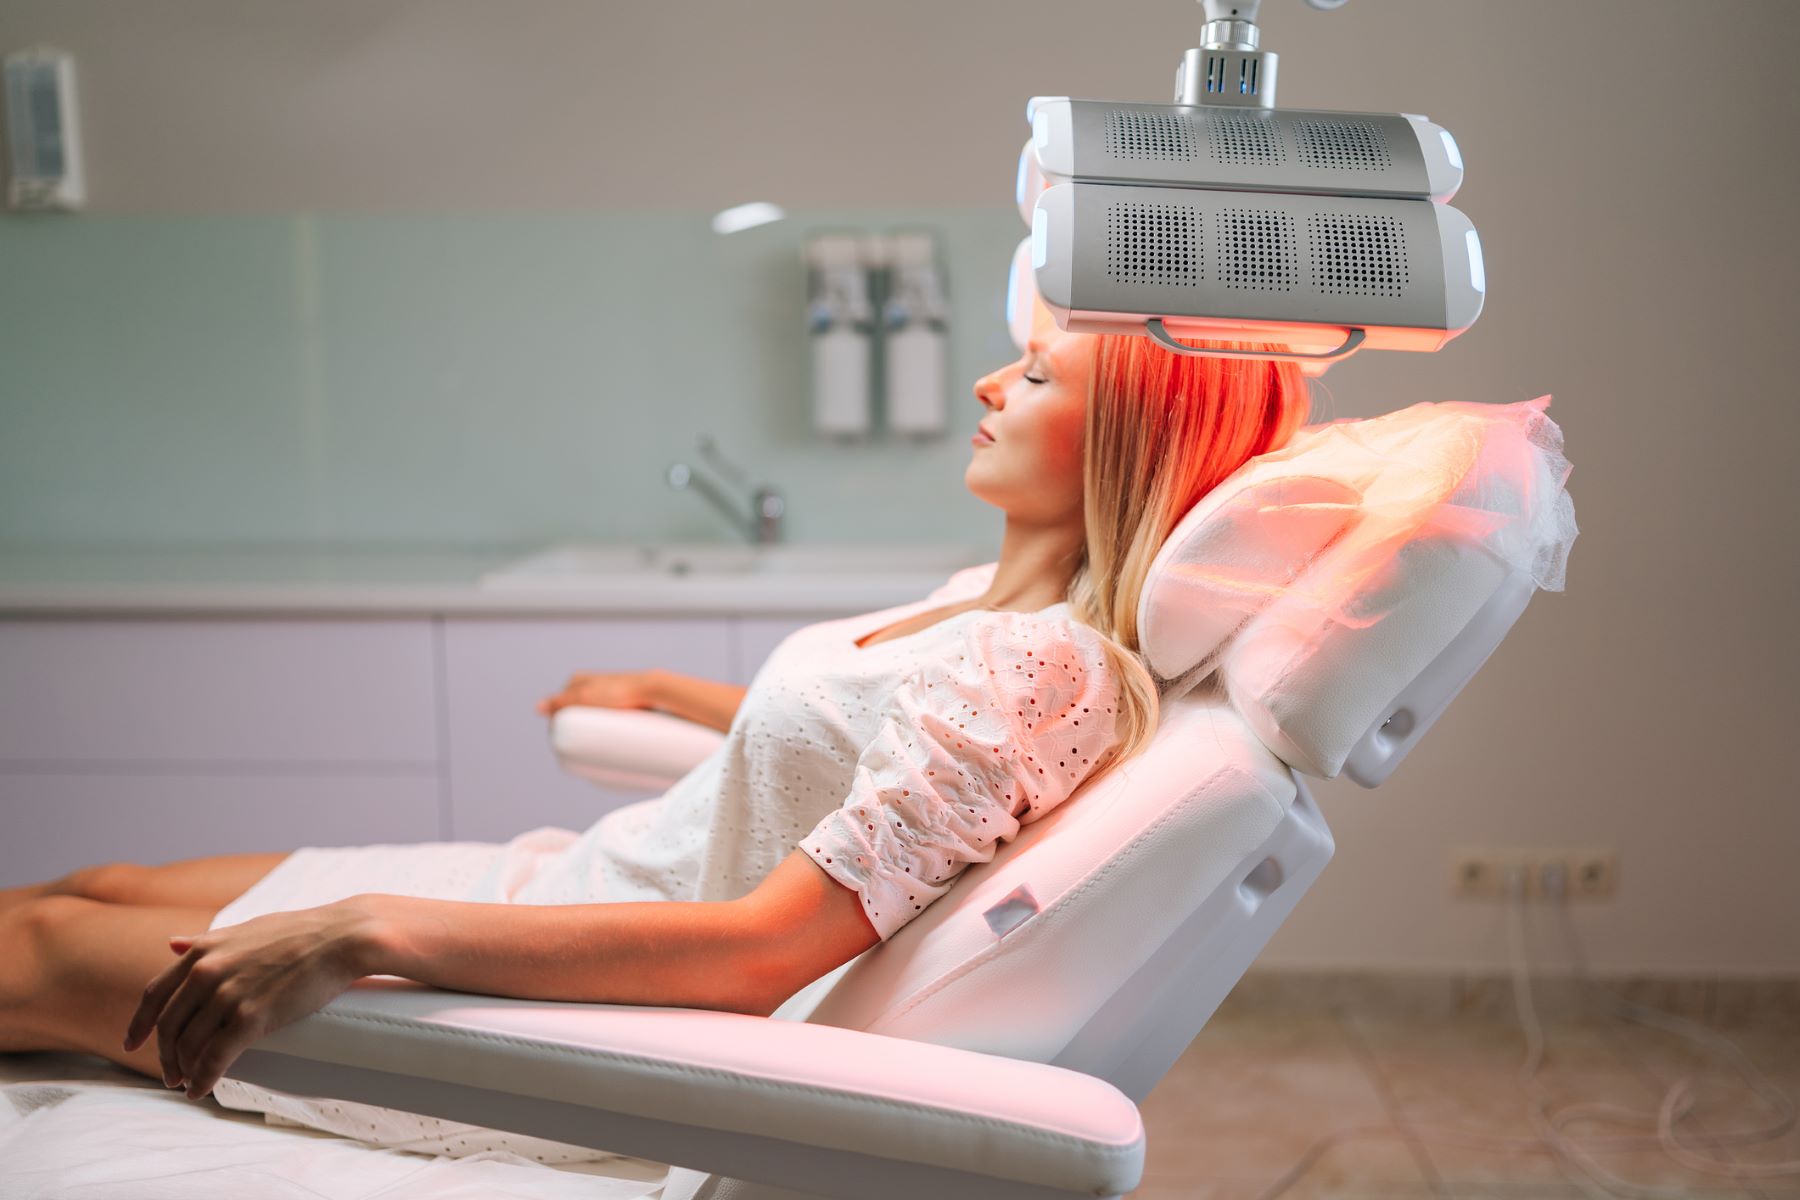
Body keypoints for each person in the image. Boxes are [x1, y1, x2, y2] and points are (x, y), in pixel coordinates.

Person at [0, 311, 1311, 1164]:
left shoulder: (1039, 668)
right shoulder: (986, 607)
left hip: (548, 996)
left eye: (1031, 374)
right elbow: (868, 763)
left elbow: (764, 953)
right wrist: (681, 695)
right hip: (553, 885)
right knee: (94, 890)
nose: (986, 380)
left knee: (39, 946)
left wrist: (369, 930)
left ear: (1120, 441)